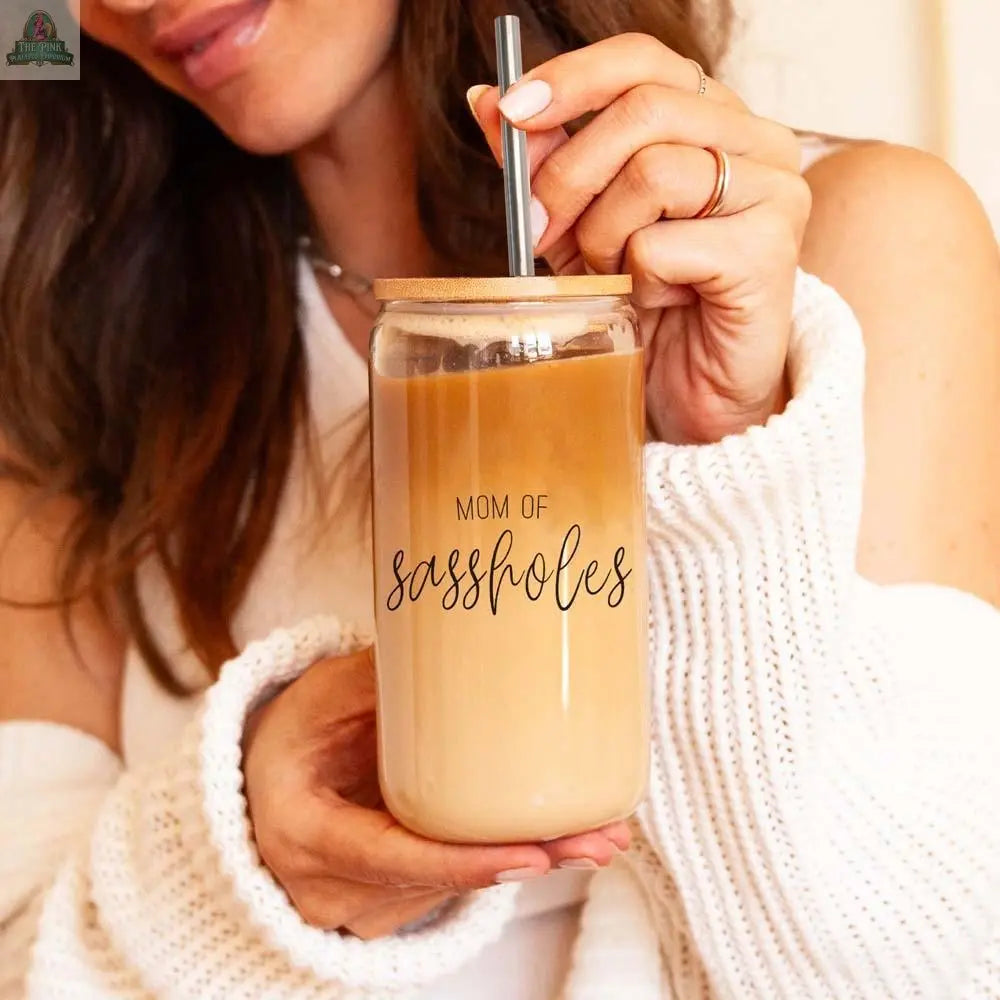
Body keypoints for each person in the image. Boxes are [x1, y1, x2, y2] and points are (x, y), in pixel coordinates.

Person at [1, 1, 999, 997]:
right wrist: (229, 874)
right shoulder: (65, 379)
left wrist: (720, 471)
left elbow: (907, 976)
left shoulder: (846, 261)